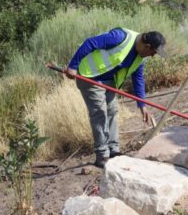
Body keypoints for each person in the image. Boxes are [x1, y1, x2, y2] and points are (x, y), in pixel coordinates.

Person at [64, 28, 165, 168]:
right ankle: (102, 156)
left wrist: (142, 106)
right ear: (147, 46)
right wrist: (73, 66)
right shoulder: (120, 37)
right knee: (99, 113)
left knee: (112, 111)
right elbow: (90, 43)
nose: (152, 56)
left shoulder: (140, 59)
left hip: (109, 80)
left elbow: (138, 79)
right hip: (89, 75)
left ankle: (113, 150)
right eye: (153, 52)